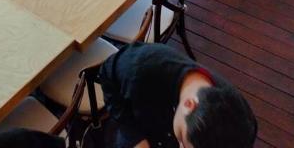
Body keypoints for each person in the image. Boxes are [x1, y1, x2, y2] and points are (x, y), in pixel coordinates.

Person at [97, 42, 257, 148]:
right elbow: (107, 76)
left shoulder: (243, 123)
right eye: (182, 141)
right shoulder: (141, 68)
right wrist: (135, 138)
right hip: (138, 127)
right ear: (189, 104)